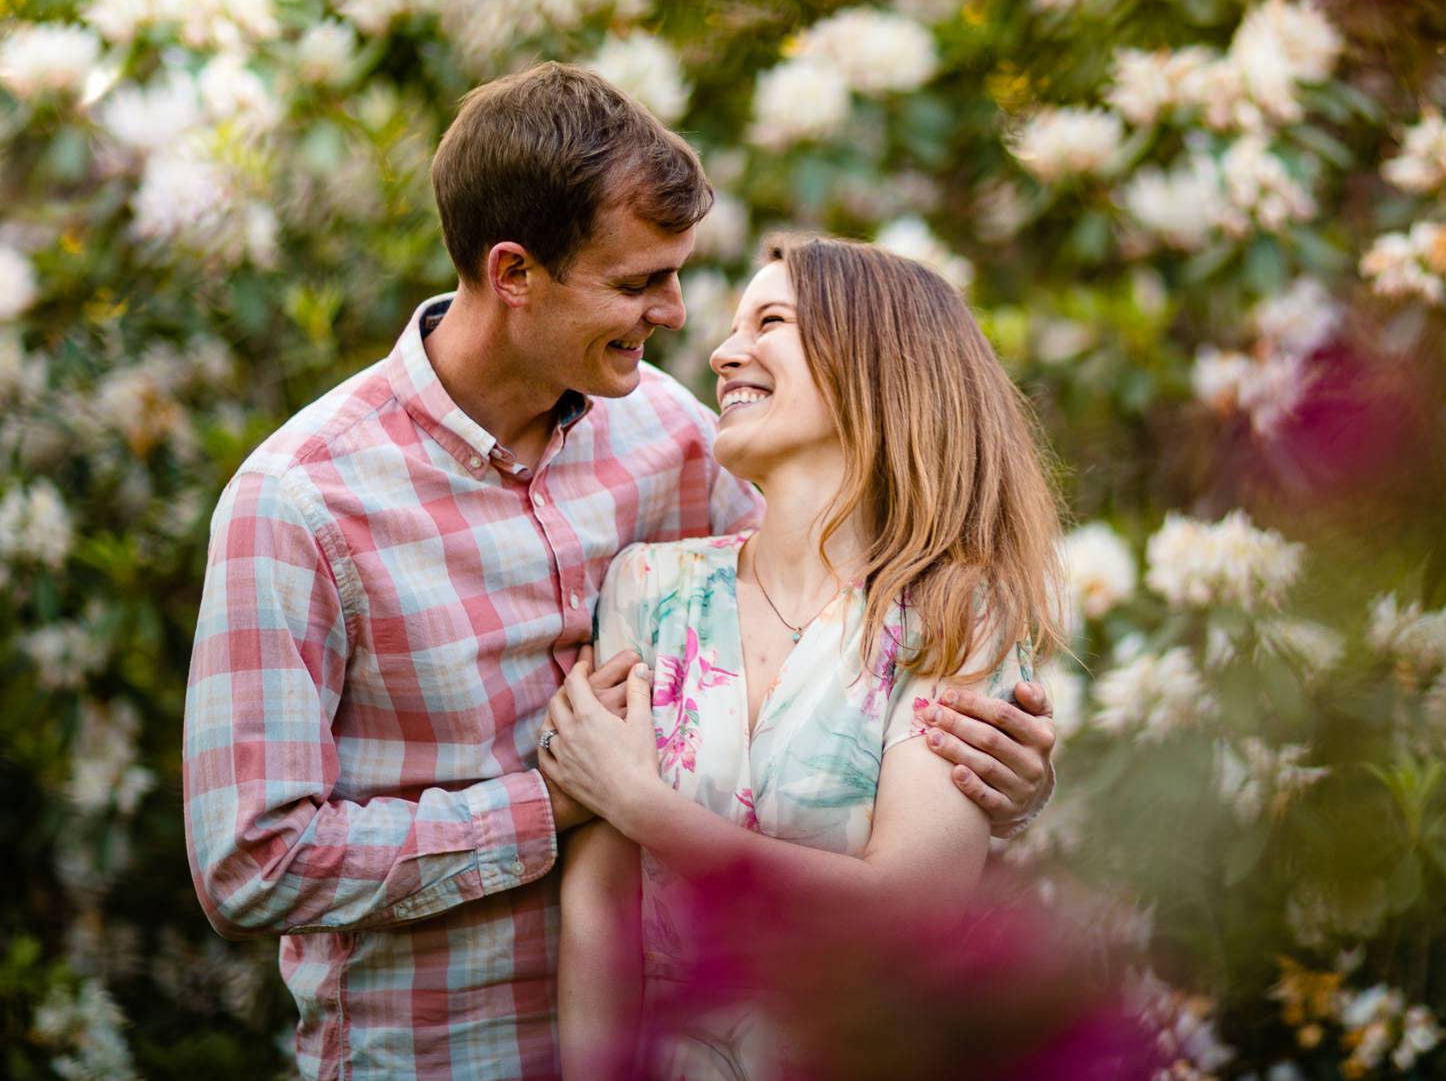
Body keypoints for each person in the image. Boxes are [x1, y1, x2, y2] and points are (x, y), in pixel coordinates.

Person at [181, 63, 1059, 1080]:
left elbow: (850, 640)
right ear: (514, 273)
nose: (681, 315)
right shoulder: (301, 501)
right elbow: (251, 862)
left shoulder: (672, 439)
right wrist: (553, 803)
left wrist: (1003, 774)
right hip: (438, 1052)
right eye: (639, 281)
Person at [536, 234, 1067, 1079]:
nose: (721, 351)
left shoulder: (952, 612)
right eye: (733, 326)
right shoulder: (650, 589)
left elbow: (911, 909)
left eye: (769, 319)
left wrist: (646, 804)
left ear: (875, 362)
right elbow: (602, 907)